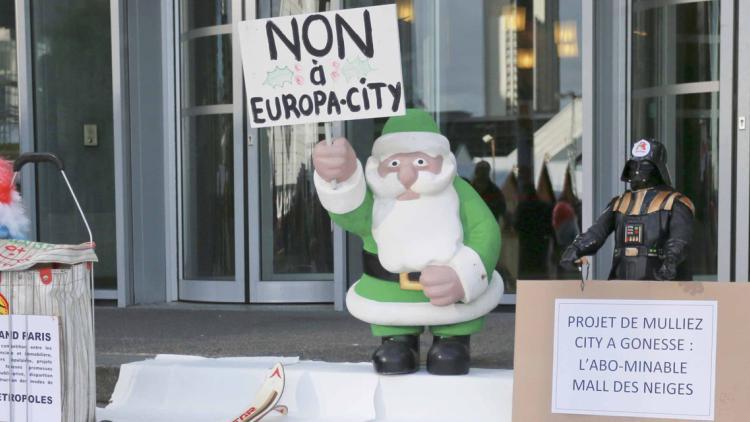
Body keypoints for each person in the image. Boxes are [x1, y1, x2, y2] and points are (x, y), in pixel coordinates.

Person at [312, 109, 503, 375]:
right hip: (391, 293)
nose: (406, 176)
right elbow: (352, 216)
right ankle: (398, 341)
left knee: (450, 351)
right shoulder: (377, 197)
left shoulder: (459, 193)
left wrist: (463, 275)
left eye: (421, 162)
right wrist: (342, 179)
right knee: (395, 349)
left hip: (452, 303)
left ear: (443, 161)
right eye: (394, 164)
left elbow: (485, 231)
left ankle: (452, 341)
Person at [560, 139, 694, 280]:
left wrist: (671, 259)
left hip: (658, 278)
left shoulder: (675, 202)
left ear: (657, 170)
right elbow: (596, 233)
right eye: (634, 166)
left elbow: (680, 238)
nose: (638, 173)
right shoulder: (620, 203)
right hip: (621, 277)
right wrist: (575, 249)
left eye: (645, 168)